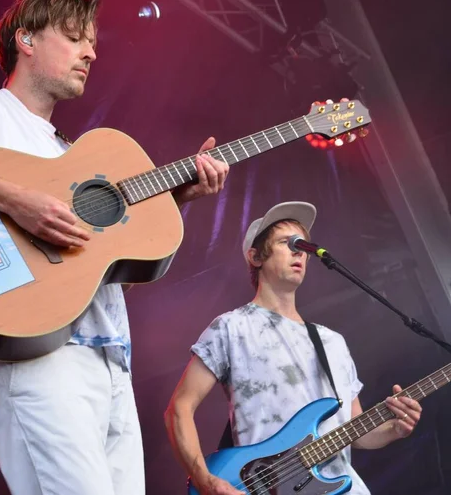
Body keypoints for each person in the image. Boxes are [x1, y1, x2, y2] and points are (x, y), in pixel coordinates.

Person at [0, 0, 229, 495]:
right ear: (27, 40)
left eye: (94, 43)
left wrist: (178, 200)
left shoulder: (71, 153)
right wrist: (17, 201)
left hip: (111, 364)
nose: (92, 53)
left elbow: (97, 271)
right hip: (35, 362)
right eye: (75, 38)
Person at [164, 201, 422, 495]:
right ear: (256, 256)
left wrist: (395, 429)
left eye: (304, 246)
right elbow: (178, 409)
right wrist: (206, 481)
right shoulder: (231, 327)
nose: (300, 250)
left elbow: (354, 431)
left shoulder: (332, 342)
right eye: (287, 243)